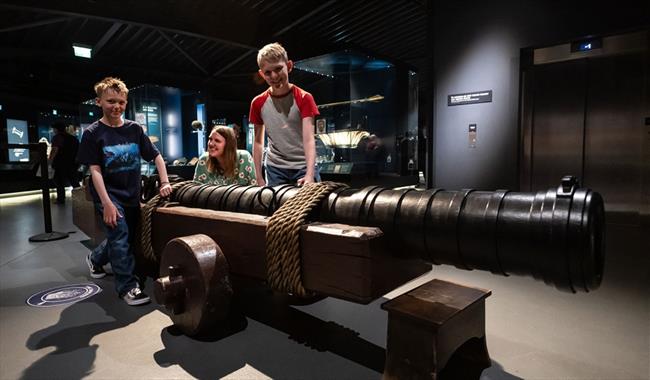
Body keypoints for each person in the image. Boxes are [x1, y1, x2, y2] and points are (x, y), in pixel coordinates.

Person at [76, 77, 173, 306]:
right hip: (108, 195)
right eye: (111, 101)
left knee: (124, 236)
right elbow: (95, 171)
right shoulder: (92, 133)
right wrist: (107, 203)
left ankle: (95, 258)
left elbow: (156, 156)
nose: (116, 106)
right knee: (120, 238)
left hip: (131, 193)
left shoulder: (134, 129)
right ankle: (128, 288)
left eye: (121, 102)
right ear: (99, 101)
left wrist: (165, 181)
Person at [249, 42, 320, 187]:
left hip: (303, 166)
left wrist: (309, 174)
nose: (274, 76)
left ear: (288, 66)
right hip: (275, 169)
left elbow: (308, 139)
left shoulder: (304, 98)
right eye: (268, 72)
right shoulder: (258, 103)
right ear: (262, 74)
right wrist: (258, 176)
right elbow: (258, 142)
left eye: (278, 69)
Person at [49, 121, 80, 204]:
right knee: (74, 182)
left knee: (59, 182)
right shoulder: (73, 138)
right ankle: (80, 198)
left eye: (54, 129)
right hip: (72, 163)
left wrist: (50, 161)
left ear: (56, 129)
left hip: (60, 163)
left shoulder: (57, 137)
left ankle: (61, 199)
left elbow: (55, 150)